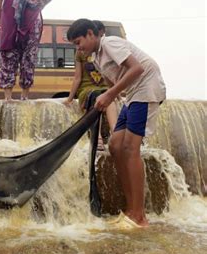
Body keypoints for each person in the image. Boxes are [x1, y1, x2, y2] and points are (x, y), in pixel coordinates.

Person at [67, 18, 166, 228]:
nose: (78, 48)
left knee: (130, 147)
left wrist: (110, 95)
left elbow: (137, 69)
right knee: (115, 145)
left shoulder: (110, 43)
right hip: (132, 95)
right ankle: (130, 209)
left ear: (91, 34)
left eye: (78, 42)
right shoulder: (96, 57)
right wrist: (109, 93)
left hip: (146, 89)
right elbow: (112, 80)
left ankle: (139, 216)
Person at [63, 20, 117, 150]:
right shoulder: (80, 53)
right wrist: (70, 99)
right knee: (94, 97)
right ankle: (96, 137)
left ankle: (116, 133)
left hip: (103, 87)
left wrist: (116, 92)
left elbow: (110, 74)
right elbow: (78, 77)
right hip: (86, 89)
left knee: (108, 98)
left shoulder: (103, 51)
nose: (79, 47)